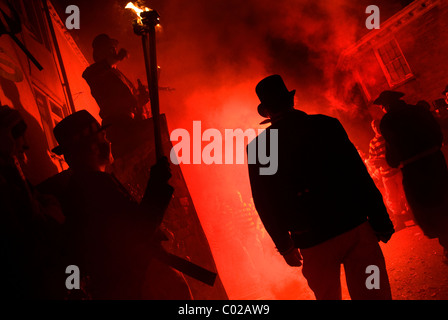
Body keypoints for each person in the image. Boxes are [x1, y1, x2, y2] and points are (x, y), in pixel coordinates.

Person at [247, 75, 394, 300]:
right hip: (354, 227)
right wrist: (380, 219)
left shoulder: (261, 147)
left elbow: (265, 203)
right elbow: (357, 174)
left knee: (327, 297)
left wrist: (284, 245)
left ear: (266, 111)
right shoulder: (327, 125)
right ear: (291, 101)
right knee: (373, 293)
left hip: (312, 241)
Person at [38, 110, 187, 299]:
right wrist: (157, 185)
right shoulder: (94, 187)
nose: (109, 142)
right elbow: (138, 230)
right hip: (139, 285)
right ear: (93, 147)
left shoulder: (85, 187)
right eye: (104, 136)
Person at [376, 90, 448, 262]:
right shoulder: (419, 111)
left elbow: (392, 156)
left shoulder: (388, 121)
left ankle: (446, 242)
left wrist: (392, 160)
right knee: (444, 199)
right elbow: (438, 136)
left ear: (386, 106)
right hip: (435, 162)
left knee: (427, 206)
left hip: (414, 171)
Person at [0, 105, 64, 299]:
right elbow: (19, 234)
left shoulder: (14, 175)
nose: (25, 144)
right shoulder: (5, 181)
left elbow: (43, 201)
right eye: (18, 134)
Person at [82, 34, 149, 158]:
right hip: (116, 125)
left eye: (113, 48)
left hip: (131, 124)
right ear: (99, 53)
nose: (113, 50)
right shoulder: (93, 72)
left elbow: (133, 103)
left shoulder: (121, 76)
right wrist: (116, 59)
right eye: (108, 48)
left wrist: (141, 101)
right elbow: (91, 74)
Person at [368, 119, 408, 231]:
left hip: (397, 171)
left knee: (405, 192)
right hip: (386, 175)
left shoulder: (388, 138)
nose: (377, 128)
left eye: (378, 125)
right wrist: (375, 163)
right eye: (374, 126)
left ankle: (413, 215)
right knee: (391, 198)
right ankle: (400, 221)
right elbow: (372, 159)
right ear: (372, 128)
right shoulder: (373, 143)